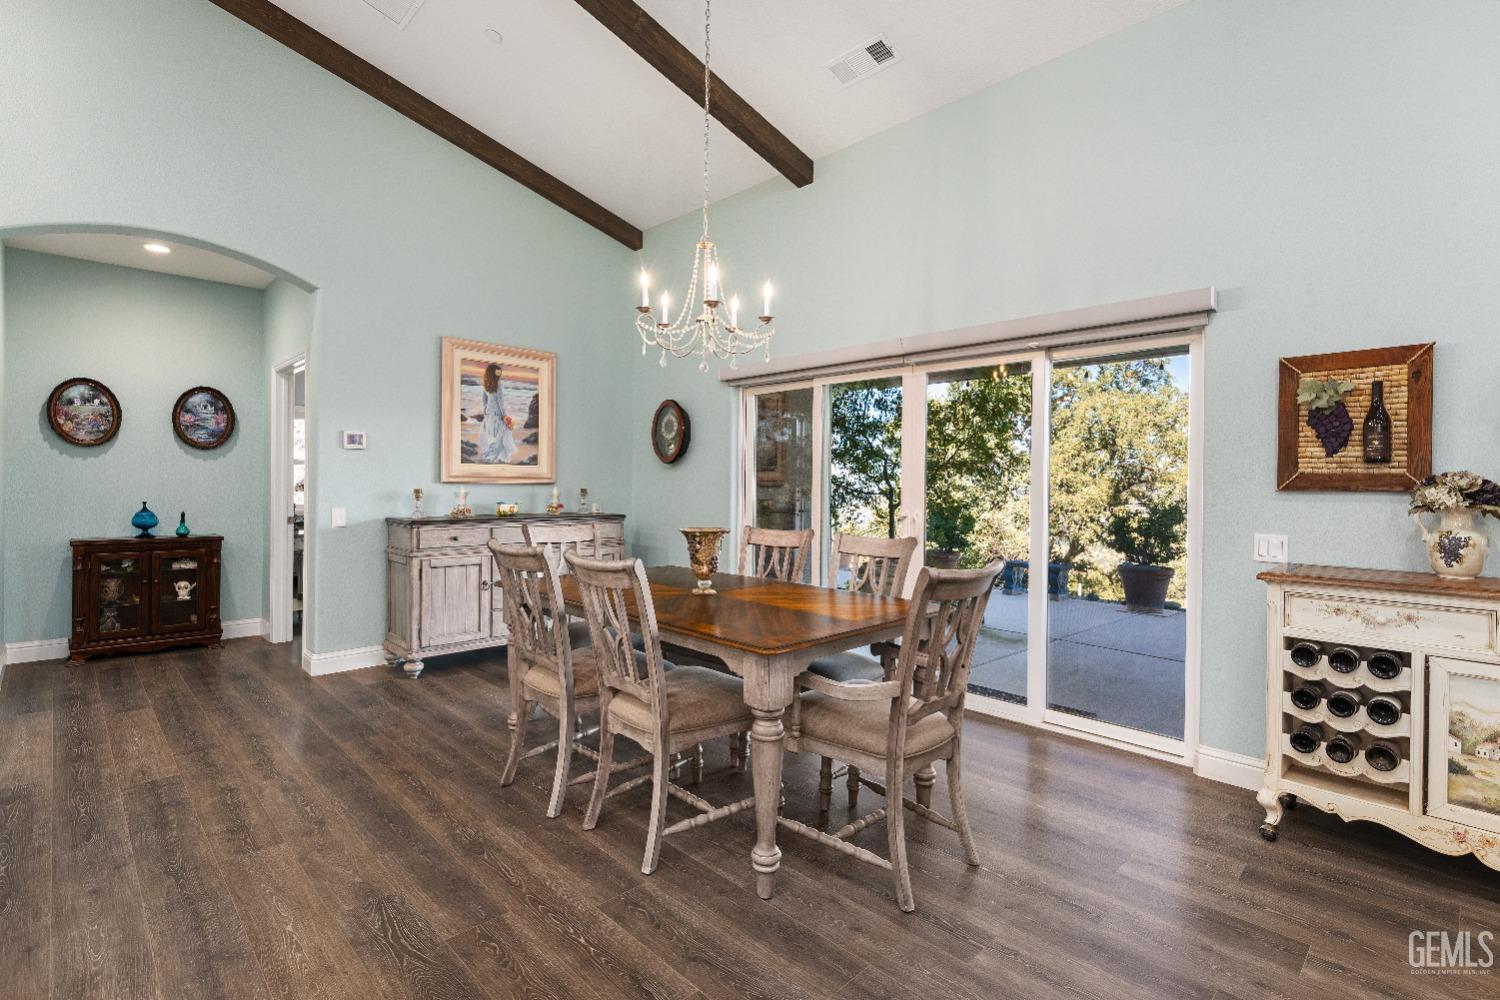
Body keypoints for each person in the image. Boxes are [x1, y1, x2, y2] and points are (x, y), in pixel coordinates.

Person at [479, 363, 517, 464]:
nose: (500, 374)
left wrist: (485, 413)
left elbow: (484, 401)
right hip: (498, 415)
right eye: (498, 371)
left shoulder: (485, 384)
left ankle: (490, 458)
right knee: (501, 439)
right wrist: (504, 415)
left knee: (493, 438)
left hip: (489, 416)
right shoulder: (499, 383)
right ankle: (495, 458)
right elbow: (501, 401)